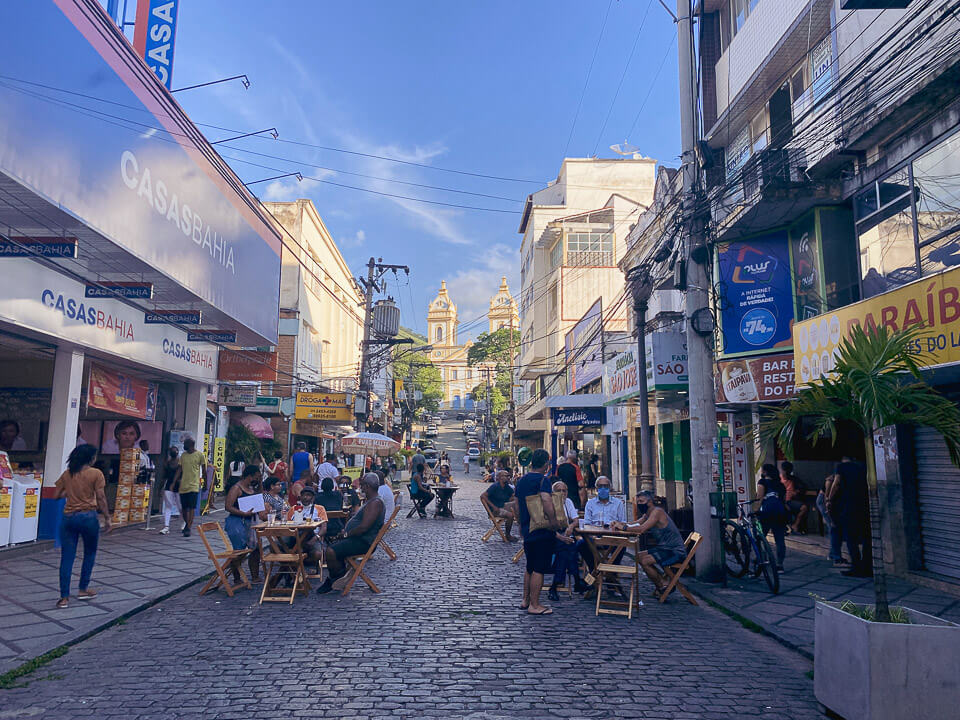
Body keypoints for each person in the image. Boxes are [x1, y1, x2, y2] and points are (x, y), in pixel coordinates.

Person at [53, 444, 111, 608]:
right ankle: (83, 589)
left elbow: (56, 495)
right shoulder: (96, 473)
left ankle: (64, 598)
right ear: (90, 458)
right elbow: (100, 497)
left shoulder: (67, 474)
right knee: (89, 553)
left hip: (69, 518)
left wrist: (71, 492)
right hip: (88, 517)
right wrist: (107, 517)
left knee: (67, 557)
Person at [316, 474, 385, 594]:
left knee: (330, 551)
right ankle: (340, 575)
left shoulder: (375, 503)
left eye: (362, 485)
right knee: (334, 546)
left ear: (367, 486)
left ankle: (335, 578)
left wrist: (346, 535)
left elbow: (364, 527)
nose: (361, 488)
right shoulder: (372, 501)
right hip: (359, 539)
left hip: (363, 542)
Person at [516, 448, 558, 616]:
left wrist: (520, 524)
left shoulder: (522, 480)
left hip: (527, 529)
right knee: (539, 568)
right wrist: (553, 522)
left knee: (529, 567)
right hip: (541, 529)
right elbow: (546, 500)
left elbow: (517, 505)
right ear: (546, 464)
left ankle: (525, 600)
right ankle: (535, 604)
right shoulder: (543, 480)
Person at [633, 490, 688, 598]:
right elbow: (636, 524)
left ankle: (662, 584)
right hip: (664, 548)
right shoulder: (647, 514)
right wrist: (621, 524)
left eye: (641, 501)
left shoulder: (657, 512)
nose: (639, 504)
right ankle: (662, 582)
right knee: (638, 556)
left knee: (645, 561)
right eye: (637, 501)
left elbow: (642, 529)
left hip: (674, 551)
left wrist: (624, 528)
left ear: (649, 502)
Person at [833, 456, 872, 578]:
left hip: (849, 506)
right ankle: (867, 566)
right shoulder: (864, 466)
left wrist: (829, 498)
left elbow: (836, 484)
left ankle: (856, 566)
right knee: (866, 538)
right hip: (865, 506)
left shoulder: (842, 467)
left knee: (851, 539)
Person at [224, 465, 262, 583]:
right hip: (237, 521)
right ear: (250, 476)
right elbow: (228, 506)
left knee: (255, 549)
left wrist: (259, 483)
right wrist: (243, 513)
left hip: (251, 521)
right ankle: (236, 577)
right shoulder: (237, 488)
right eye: (256, 477)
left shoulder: (251, 488)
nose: (257, 479)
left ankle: (255, 576)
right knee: (239, 550)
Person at [548, 480, 585, 601]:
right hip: (553, 536)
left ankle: (554, 587)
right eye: (559, 491)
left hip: (566, 534)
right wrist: (561, 537)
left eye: (564, 490)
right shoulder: (549, 504)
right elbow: (547, 527)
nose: (562, 493)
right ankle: (577, 581)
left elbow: (575, 520)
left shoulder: (568, 502)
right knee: (567, 548)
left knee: (567, 549)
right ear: (553, 492)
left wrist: (570, 527)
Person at [757, 463, 788, 571]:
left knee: (760, 537)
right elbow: (783, 501)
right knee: (780, 540)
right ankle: (780, 565)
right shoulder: (780, 485)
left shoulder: (763, 482)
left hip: (766, 513)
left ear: (765, 472)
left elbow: (759, 498)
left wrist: (756, 511)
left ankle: (763, 559)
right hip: (780, 514)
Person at [174, 437, 205, 537]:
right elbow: (179, 469)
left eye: (185, 444)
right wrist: (174, 482)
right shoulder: (183, 455)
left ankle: (188, 527)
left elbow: (204, 470)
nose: (184, 446)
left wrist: (205, 483)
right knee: (184, 508)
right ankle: (187, 523)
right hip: (183, 485)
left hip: (194, 486)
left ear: (191, 444)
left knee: (191, 507)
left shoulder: (200, 455)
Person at [481, 470, 517, 541]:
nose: (508, 478)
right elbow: (483, 496)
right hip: (495, 509)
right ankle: (507, 535)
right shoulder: (495, 486)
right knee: (510, 515)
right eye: (506, 476)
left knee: (518, 503)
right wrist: (493, 507)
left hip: (502, 506)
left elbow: (514, 495)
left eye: (508, 476)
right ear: (500, 477)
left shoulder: (506, 486)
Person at [818, 474, 845, 565]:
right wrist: (828, 504)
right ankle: (835, 555)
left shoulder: (837, 476)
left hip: (830, 501)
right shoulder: (834, 477)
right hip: (826, 500)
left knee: (835, 528)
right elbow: (827, 495)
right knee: (833, 528)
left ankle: (833, 554)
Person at [780, 461, 809, 533]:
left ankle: (795, 525)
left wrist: (797, 492)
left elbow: (803, 487)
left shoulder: (793, 479)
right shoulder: (778, 480)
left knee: (804, 507)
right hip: (781, 502)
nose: (785, 474)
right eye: (784, 471)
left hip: (791, 501)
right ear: (782, 470)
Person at [159, 447, 181, 535]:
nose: (174, 453)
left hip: (180, 487)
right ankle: (166, 526)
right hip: (168, 487)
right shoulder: (167, 463)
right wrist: (160, 488)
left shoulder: (181, 463)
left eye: (175, 451)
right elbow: (164, 477)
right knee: (168, 506)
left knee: (180, 507)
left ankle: (184, 523)